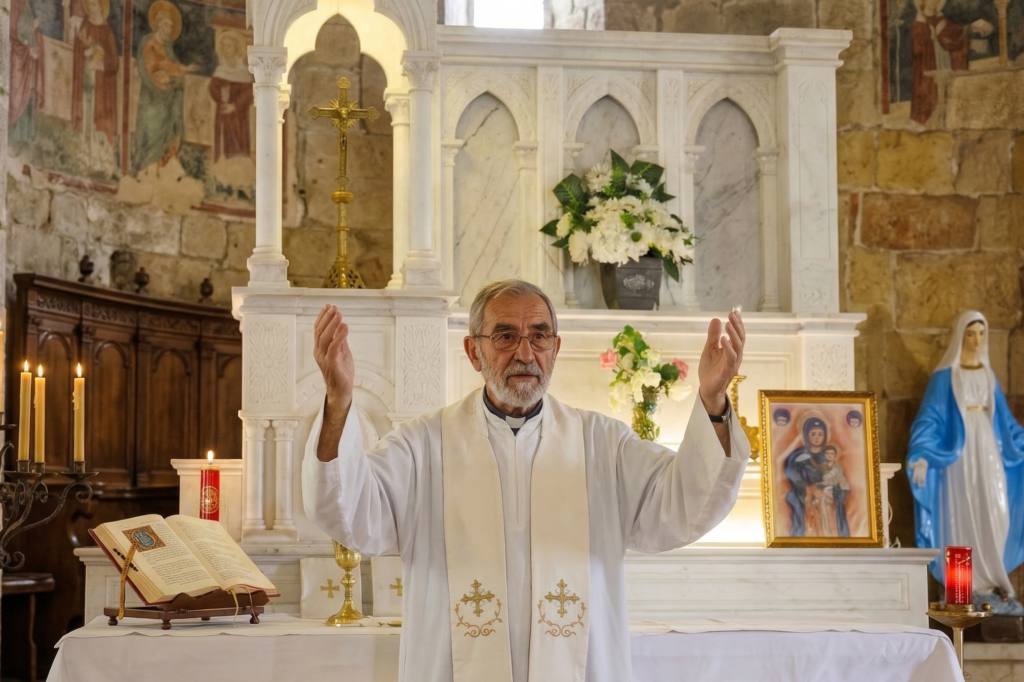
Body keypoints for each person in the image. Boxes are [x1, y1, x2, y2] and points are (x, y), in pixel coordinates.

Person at [303, 279, 748, 682]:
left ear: (554, 349)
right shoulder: (425, 445)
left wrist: (712, 402)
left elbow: (684, 506)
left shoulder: (602, 445)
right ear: (473, 351)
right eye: (505, 336)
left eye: (538, 336)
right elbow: (351, 511)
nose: (524, 352)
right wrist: (339, 402)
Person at [907, 310, 1024, 614]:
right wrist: (922, 454)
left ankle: (990, 584)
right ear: (961, 336)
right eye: (971, 333)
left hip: (989, 452)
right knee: (961, 513)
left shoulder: (988, 375)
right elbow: (930, 419)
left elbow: (1007, 424)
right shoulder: (945, 376)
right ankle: (965, 588)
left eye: (981, 333)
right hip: (957, 459)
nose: (976, 340)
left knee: (997, 511)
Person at [132, 0, 198, 173]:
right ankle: (146, 170)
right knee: (152, 133)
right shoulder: (149, 45)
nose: (168, 29)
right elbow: (150, 70)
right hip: (153, 99)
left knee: (168, 136)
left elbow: (171, 66)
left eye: (171, 26)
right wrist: (172, 77)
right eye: (166, 25)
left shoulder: (168, 48)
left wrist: (180, 73)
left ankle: (163, 170)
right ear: (158, 24)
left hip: (168, 102)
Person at [72, 0, 119, 148]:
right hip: (86, 78)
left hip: (102, 85)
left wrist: (101, 61)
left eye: (95, 4)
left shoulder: (107, 31)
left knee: (98, 116)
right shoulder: (85, 25)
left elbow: (114, 62)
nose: (92, 8)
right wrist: (86, 52)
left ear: (101, 6)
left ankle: (99, 150)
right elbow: (78, 50)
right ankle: (84, 146)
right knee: (86, 112)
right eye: (90, 4)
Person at [207, 31, 254, 162]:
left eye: (228, 46)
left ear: (236, 48)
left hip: (239, 115)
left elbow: (249, 93)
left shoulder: (244, 71)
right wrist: (221, 97)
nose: (225, 49)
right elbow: (212, 88)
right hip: (223, 111)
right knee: (223, 142)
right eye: (223, 46)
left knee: (239, 141)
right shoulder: (221, 70)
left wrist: (235, 105)